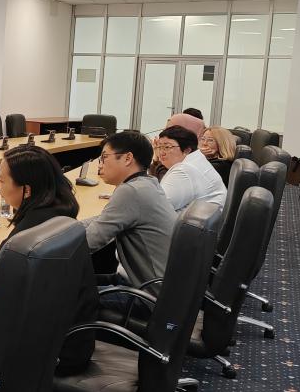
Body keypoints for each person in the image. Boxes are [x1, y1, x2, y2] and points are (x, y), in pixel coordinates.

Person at [0, 145, 96, 374]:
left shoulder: (34, 225)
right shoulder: (58, 212)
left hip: (51, 355)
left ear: (27, 190)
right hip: (73, 340)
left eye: (1, 180)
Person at [83, 131, 177, 302]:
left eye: (104, 157)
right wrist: (68, 226)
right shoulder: (147, 183)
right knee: (76, 283)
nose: (100, 164)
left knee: (65, 295)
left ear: (127, 158)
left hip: (148, 295)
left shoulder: (130, 191)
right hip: (154, 285)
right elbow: (101, 219)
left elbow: (90, 241)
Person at [156, 125, 226, 211]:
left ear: (187, 150)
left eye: (167, 147)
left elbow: (157, 208)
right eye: (159, 147)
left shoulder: (183, 171)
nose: (161, 153)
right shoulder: (196, 160)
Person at [149, 113, 206, 180]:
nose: (165, 131)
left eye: (169, 128)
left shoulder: (189, 168)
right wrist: (157, 158)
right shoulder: (195, 158)